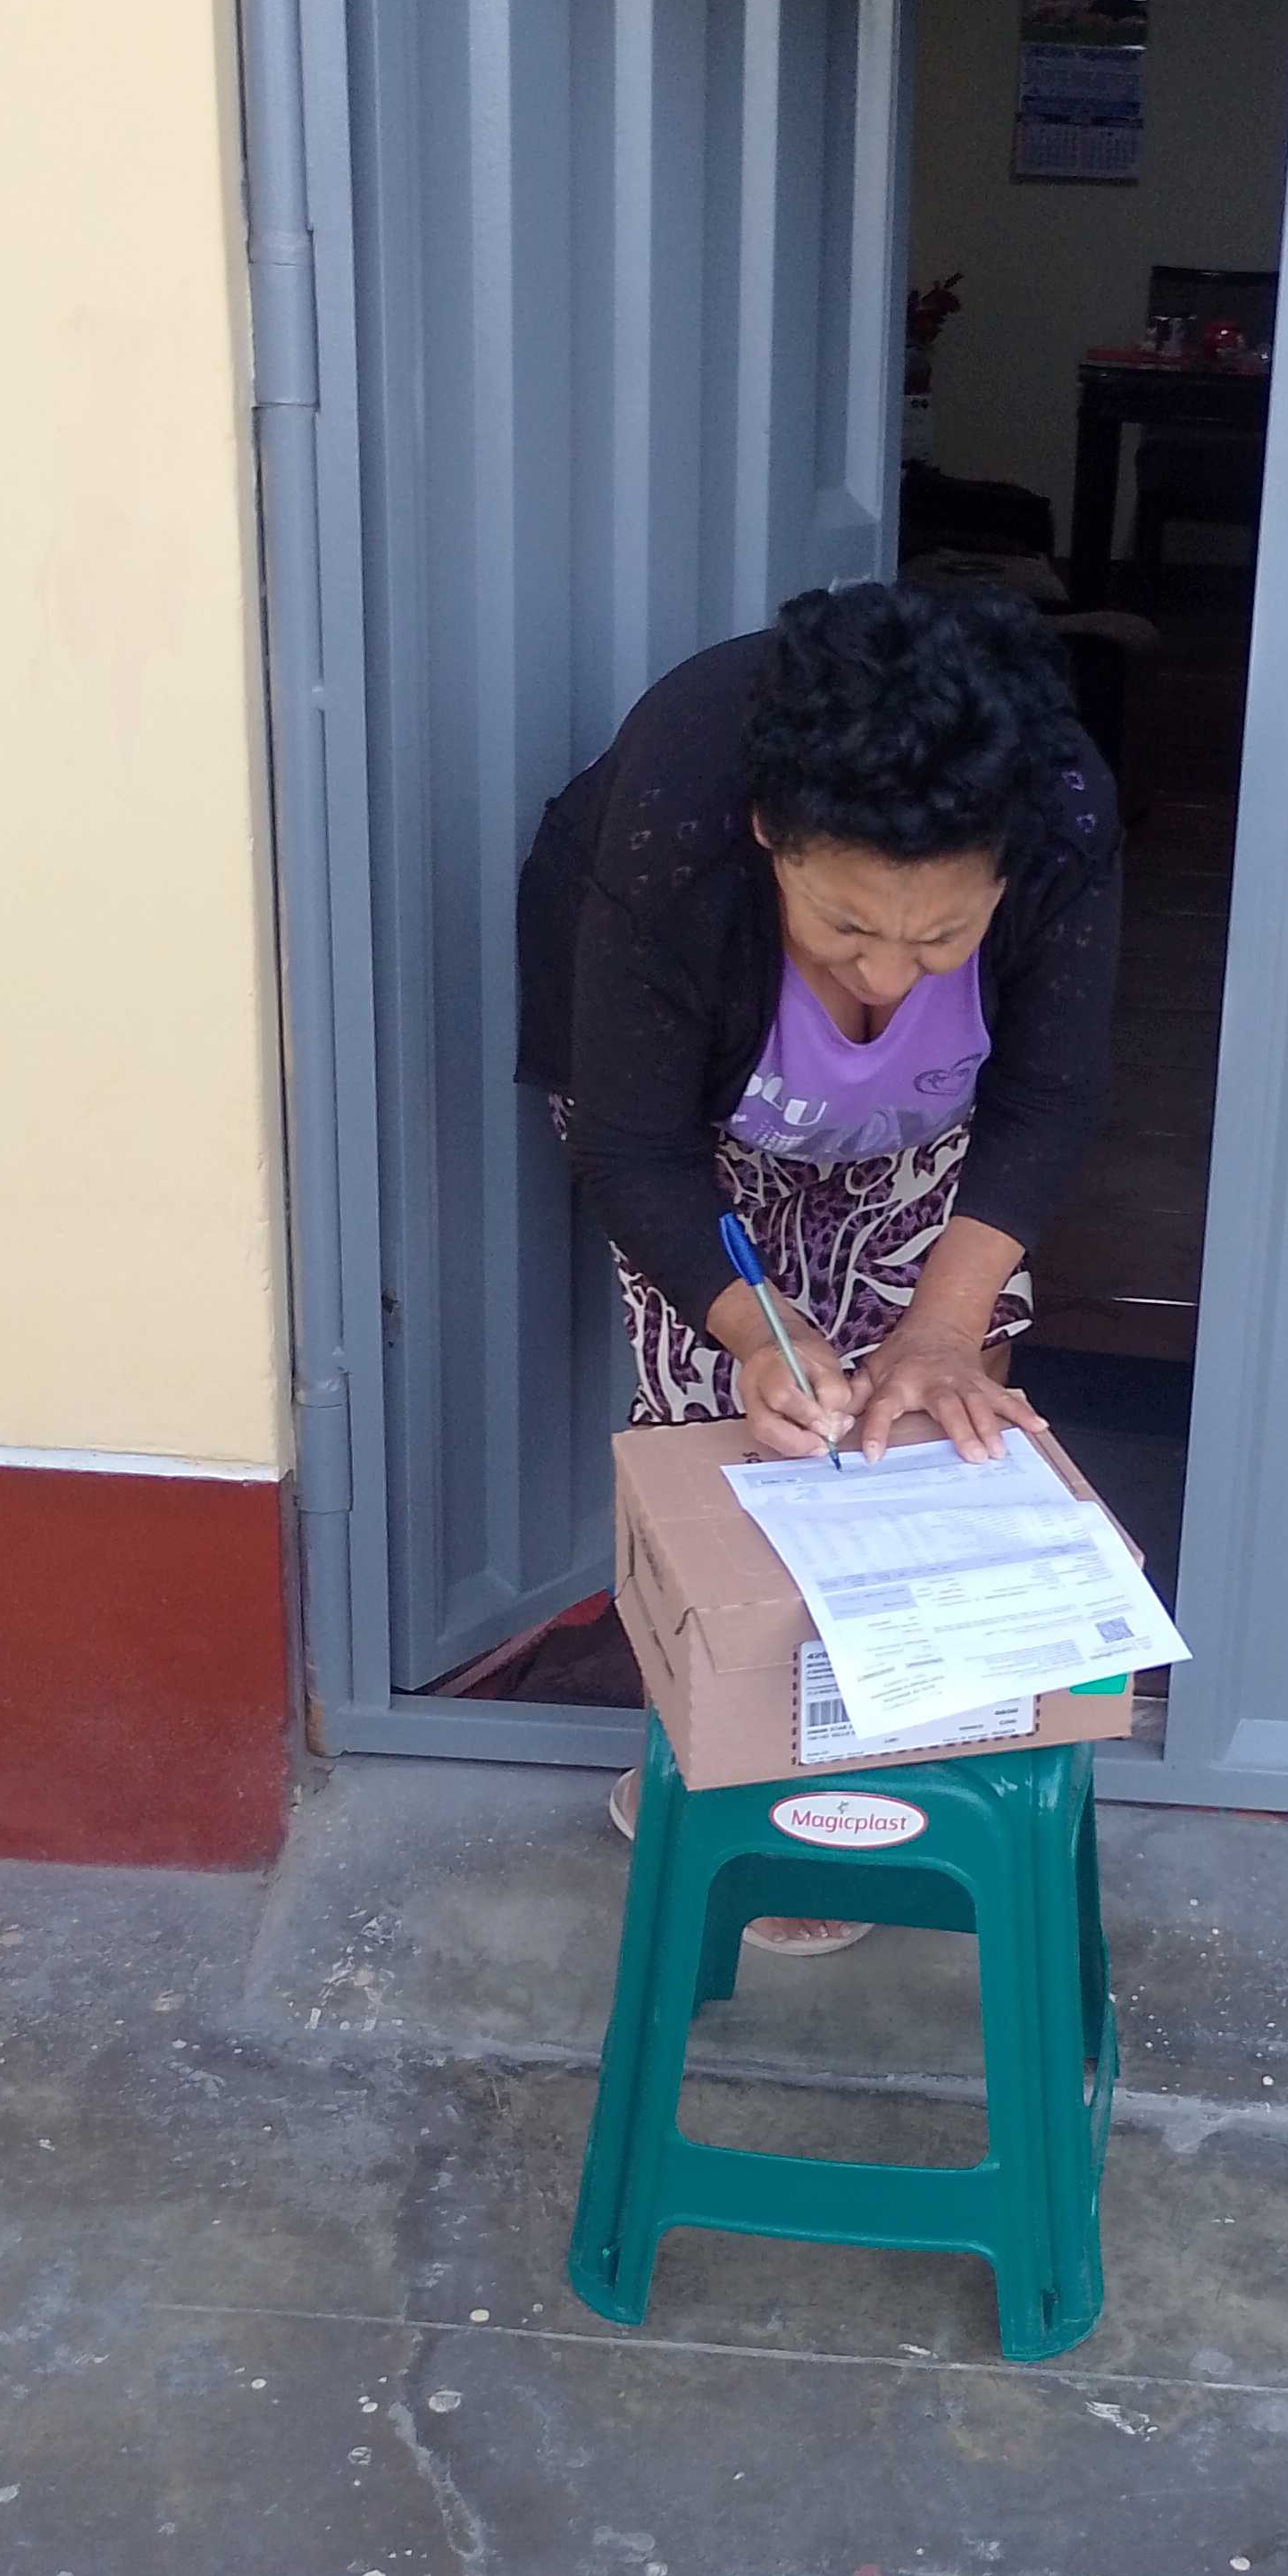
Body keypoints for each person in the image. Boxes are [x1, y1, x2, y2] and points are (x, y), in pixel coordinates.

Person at [516, 581, 1122, 1881]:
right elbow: (635, 1146)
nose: (889, 973)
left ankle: (915, 1733)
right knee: (739, 1416)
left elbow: (1050, 1095)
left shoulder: (1058, 810)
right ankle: (730, 1756)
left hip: (935, 1111)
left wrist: (944, 1325)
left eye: (942, 935)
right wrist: (759, 1331)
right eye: (844, 927)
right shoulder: (678, 819)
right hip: (690, 1117)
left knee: (937, 1409)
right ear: (768, 838)